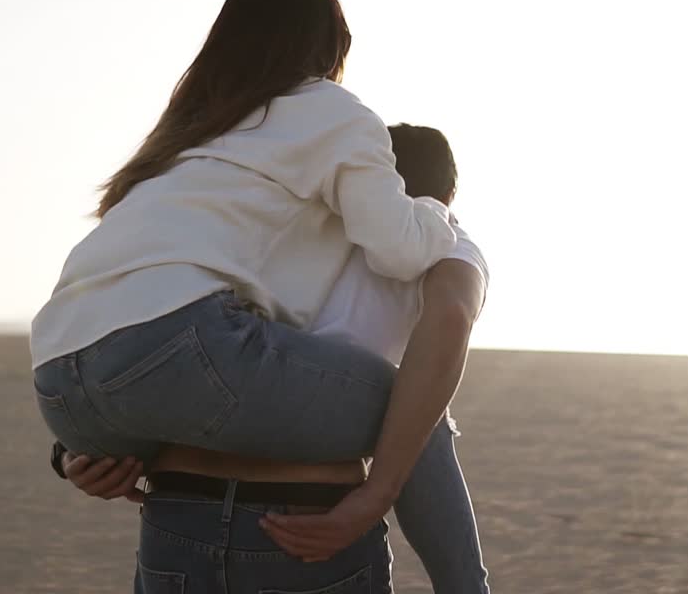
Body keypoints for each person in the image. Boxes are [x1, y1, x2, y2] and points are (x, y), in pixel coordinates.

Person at [31, 0, 482, 590]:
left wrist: (76, 451)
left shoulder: (193, 136)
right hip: (185, 354)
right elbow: (402, 252)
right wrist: (432, 212)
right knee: (413, 403)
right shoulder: (330, 112)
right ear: (329, 46)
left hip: (62, 382)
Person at [59, 125, 490, 592]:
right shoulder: (443, 236)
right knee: (418, 400)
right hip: (307, 518)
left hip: (179, 512)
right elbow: (451, 316)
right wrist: (375, 496)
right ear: (448, 195)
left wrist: (78, 450)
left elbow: (160, 330)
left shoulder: (276, 220)